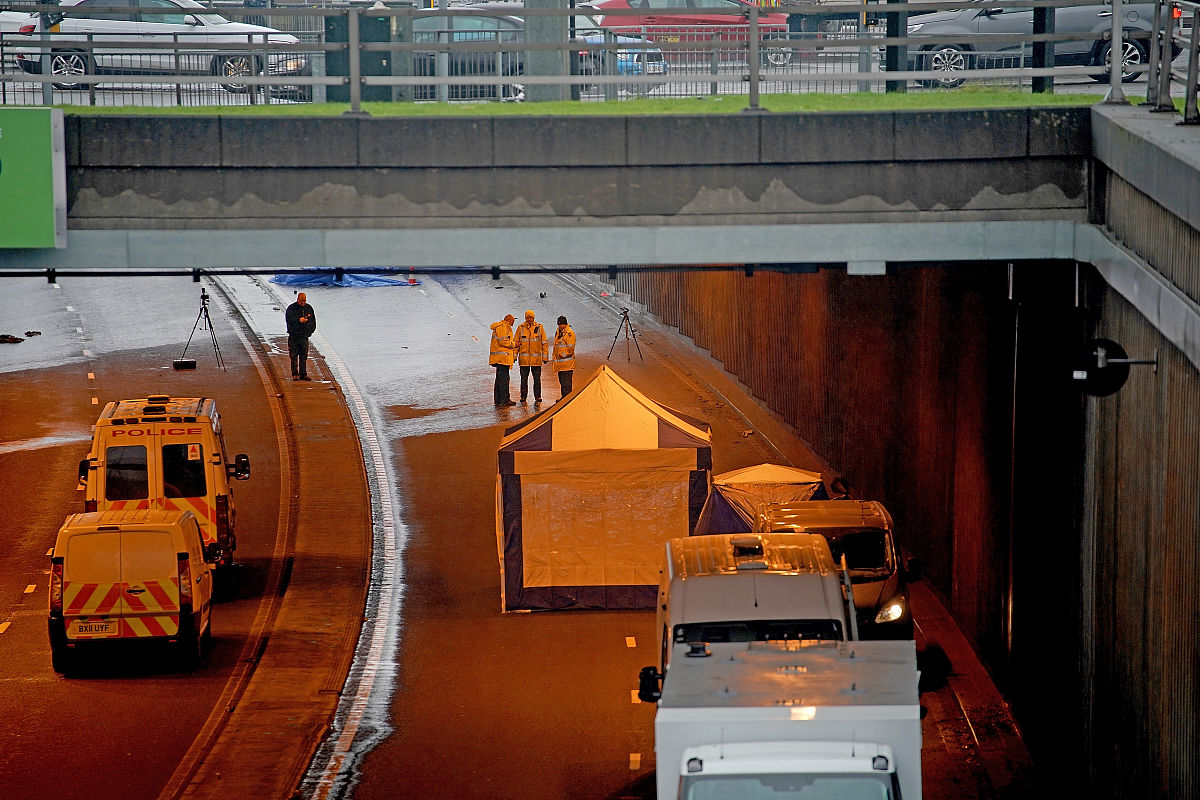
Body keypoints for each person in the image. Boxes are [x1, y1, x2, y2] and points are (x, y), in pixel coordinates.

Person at [515, 309, 548, 404]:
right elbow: (516, 343)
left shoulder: (539, 328)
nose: (529, 319)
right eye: (527, 317)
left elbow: (544, 343)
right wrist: (514, 356)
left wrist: (545, 358)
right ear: (525, 318)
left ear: (534, 318)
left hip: (536, 360)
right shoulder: (520, 328)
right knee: (524, 380)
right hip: (524, 360)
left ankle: (538, 396)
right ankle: (523, 397)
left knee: (537, 379)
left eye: (531, 317)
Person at [285, 292, 317, 381]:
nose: (303, 303)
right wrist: (299, 321)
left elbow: (313, 322)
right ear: (298, 299)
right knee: (293, 355)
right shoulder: (291, 308)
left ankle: (303, 373)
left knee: (304, 356)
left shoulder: (308, 308)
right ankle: (295, 373)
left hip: (304, 336)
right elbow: (289, 320)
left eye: (304, 301)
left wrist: (309, 332)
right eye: (301, 301)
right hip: (294, 336)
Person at [489, 313, 518, 407]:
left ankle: (498, 400)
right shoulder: (503, 327)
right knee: (504, 380)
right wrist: (514, 344)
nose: (513, 324)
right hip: (502, 359)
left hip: (501, 359)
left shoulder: (501, 327)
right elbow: (503, 342)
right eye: (512, 322)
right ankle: (505, 400)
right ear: (509, 320)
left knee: (499, 379)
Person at [551, 315, 576, 400]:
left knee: (567, 383)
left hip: (567, 364)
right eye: (559, 324)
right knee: (562, 382)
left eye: (562, 324)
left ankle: (567, 399)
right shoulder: (559, 332)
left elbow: (570, 349)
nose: (560, 326)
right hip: (561, 364)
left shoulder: (569, 333)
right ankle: (564, 398)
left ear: (565, 324)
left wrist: (562, 355)